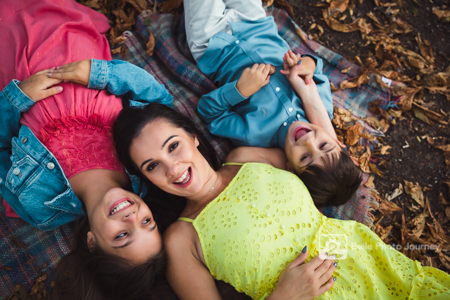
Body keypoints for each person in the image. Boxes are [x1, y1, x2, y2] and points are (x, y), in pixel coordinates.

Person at [112, 102, 450, 300]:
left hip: (369, 261)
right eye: (152, 166)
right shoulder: (180, 239)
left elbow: (317, 151)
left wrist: (307, 93)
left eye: (173, 146)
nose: (172, 169)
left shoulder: (246, 158)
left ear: (192, 137)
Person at [0, 0, 172, 298]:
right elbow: (158, 103)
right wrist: (100, 74)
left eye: (122, 236)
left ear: (93, 243)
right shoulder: (144, 168)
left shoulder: (39, 205)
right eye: (147, 222)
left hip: (14, 64)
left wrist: (18, 97)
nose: (132, 217)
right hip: (75, 45)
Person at [187, 0, 362, 207]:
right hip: (256, 24)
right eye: (324, 145)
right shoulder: (321, 105)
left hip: (212, 43)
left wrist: (239, 90)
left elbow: (209, 112)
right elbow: (316, 67)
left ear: (290, 168)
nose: (309, 141)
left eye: (305, 157)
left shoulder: (253, 137)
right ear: (337, 141)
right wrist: (306, 64)